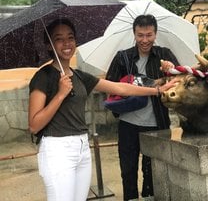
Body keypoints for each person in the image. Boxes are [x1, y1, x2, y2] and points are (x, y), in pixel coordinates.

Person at [28, 18, 177, 201]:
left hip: (82, 145)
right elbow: (34, 125)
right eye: (59, 39)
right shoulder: (43, 77)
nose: (66, 43)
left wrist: (157, 90)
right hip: (57, 148)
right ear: (49, 45)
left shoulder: (79, 76)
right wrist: (60, 95)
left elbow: (120, 87)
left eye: (71, 37)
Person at [105, 14, 180, 201]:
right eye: (140, 35)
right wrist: (132, 89)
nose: (144, 40)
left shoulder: (165, 54)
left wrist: (171, 71)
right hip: (128, 123)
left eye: (149, 35)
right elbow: (109, 87)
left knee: (154, 171)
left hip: (157, 122)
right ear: (134, 34)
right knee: (128, 169)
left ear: (155, 34)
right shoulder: (123, 58)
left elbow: (180, 83)